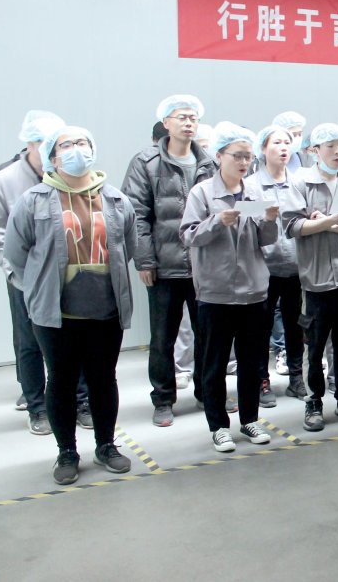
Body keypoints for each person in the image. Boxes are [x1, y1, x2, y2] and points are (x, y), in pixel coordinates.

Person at [4, 125, 137, 485]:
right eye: (66, 144)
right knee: (61, 380)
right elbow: (16, 254)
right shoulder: (32, 200)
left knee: (103, 379)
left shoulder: (116, 200)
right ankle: (67, 451)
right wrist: (39, 286)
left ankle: (106, 445)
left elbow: (127, 247)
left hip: (105, 310)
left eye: (82, 143)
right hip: (56, 313)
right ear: (52, 156)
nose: (76, 149)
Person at [0, 110, 94, 434]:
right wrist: (16, 275)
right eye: (53, 144)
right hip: (24, 277)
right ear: (32, 144)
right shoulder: (7, 178)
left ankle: (81, 401)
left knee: (73, 337)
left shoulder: (69, 175)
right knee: (29, 341)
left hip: (68, 274)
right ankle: (37, 407)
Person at [180, 122, 279, 453]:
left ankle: (250, 419)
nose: (244, 162)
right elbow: (188, 235)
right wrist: (216, 222)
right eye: (237, 155)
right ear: (219, 156)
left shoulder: (255, 193)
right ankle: (219, 426)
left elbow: (267, 240)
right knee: (215, 363)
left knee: (251, 362)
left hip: (253, 291)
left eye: (248, 157)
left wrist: (269, 221)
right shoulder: (202, 193)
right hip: (216, 293)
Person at [123, 95, 217, 427]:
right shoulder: (146, 162)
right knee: (163, 338)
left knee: (208, 335)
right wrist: (145, 261)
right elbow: (136, 215)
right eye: (181, 117)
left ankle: (208, 393)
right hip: (165, 266)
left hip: (204, 267)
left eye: (193, 118)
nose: (189, 123)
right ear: (166, 123)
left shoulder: (209, 163)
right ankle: (163, 399)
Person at [281, 123, 338, 430]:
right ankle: (313, 401)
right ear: (314, 150)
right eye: (330, 146)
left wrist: (328, 223)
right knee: (316, 344)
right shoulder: (300, 182)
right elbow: (293, 226)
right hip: (316, 279)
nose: (337, 152)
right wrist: (330, 222)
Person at [246, 125, 305, 406]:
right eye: (277, 143)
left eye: (287, 143)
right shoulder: (251, 186)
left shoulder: (299, 183)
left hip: (295, 267)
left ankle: (296, 377)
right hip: (263, 269)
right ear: (263, 148)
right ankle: (261, 380)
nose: (283, 148)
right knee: (261, 328)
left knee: (295, 325)